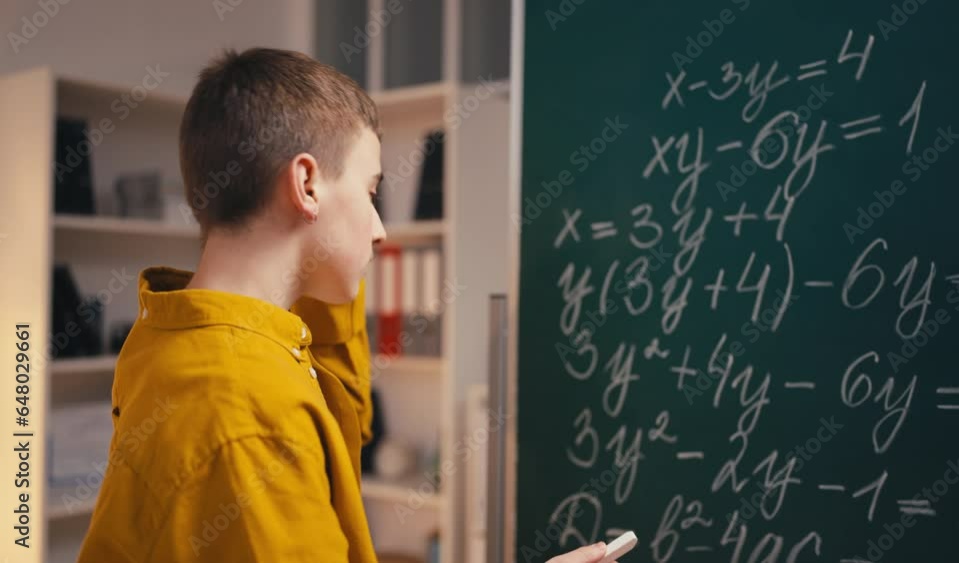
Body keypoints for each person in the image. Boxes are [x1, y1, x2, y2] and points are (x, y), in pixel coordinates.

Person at [76, 48, 614, 563]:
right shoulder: (250, 405)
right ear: (307, 184)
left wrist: (327, 267)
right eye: (371, 192)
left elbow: (346, 419)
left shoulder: (181, 335)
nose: (380, 230)